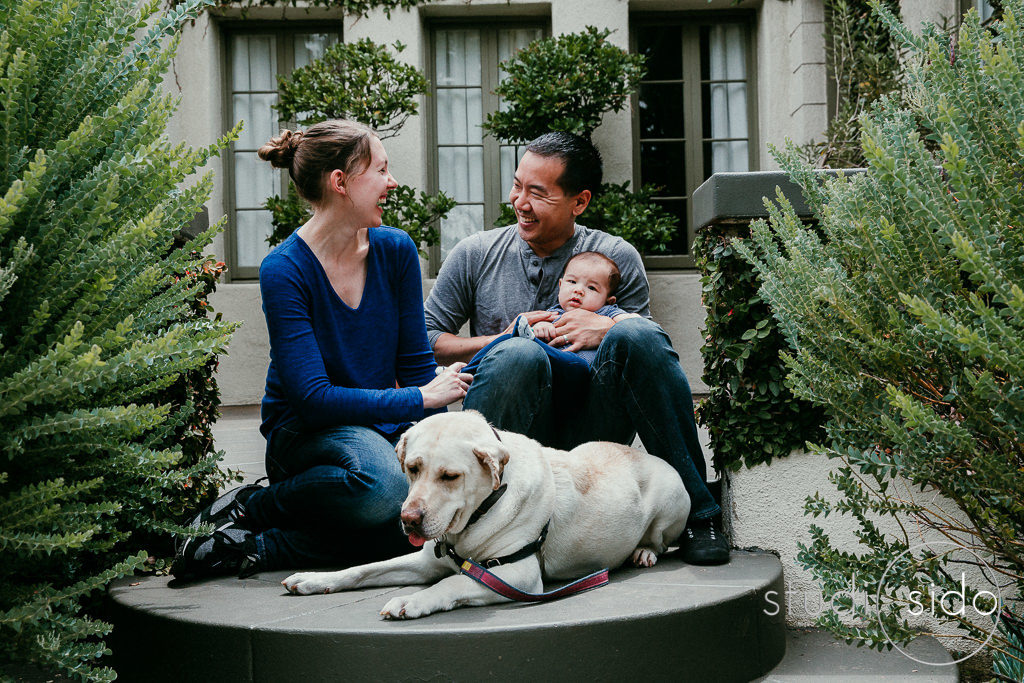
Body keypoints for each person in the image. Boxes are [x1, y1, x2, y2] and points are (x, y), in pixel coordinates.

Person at [172, 120, 472, 580]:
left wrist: (433, 445)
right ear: (341, 183)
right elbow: (313, 400)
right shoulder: (283, 268)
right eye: (381, 170)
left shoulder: (395, 251)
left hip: (377, 428)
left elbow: (414, 366)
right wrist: (420, 399)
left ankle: (257, 549)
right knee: (384, 488)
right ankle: (257, 505)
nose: (392, 182)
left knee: (419, 527)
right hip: (306, 436)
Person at [424, 131, 729, 565]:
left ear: (579, 202)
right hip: (513, 438)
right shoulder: (475, 253)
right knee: (519, 353)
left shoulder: (613, 256)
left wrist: (601, 329)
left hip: (593, 434)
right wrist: (506, 335)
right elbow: (428, 340)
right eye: (517, 185)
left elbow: (643, 351)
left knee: (638, 332)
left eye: (537, 193)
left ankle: (700, 513)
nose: (519, 201)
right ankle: (477, 527)